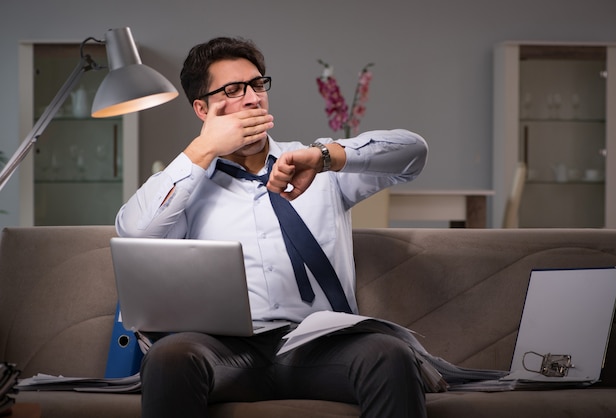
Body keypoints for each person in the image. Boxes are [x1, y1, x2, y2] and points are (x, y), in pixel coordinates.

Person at [115, 36, 429, 418]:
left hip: (319, 345)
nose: (252, 98)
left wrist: (326, 156)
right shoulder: (187, 185)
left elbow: (412, 154)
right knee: (169, 357)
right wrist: (203, 149)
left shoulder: (317, 166)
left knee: (389, 354)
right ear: (203, 108)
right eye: (232, 90)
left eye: (257, 84)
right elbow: (133, 232)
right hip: (225, 352)